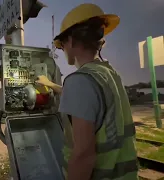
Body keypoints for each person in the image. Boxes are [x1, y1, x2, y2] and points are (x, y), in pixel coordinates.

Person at [36, 3, 138, 180]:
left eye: (61, 45)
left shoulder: (79, 81)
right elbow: (88, 100)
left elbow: (84, 156)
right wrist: (50, 84)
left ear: (71, 40)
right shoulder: (108, 74)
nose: (63, 49)